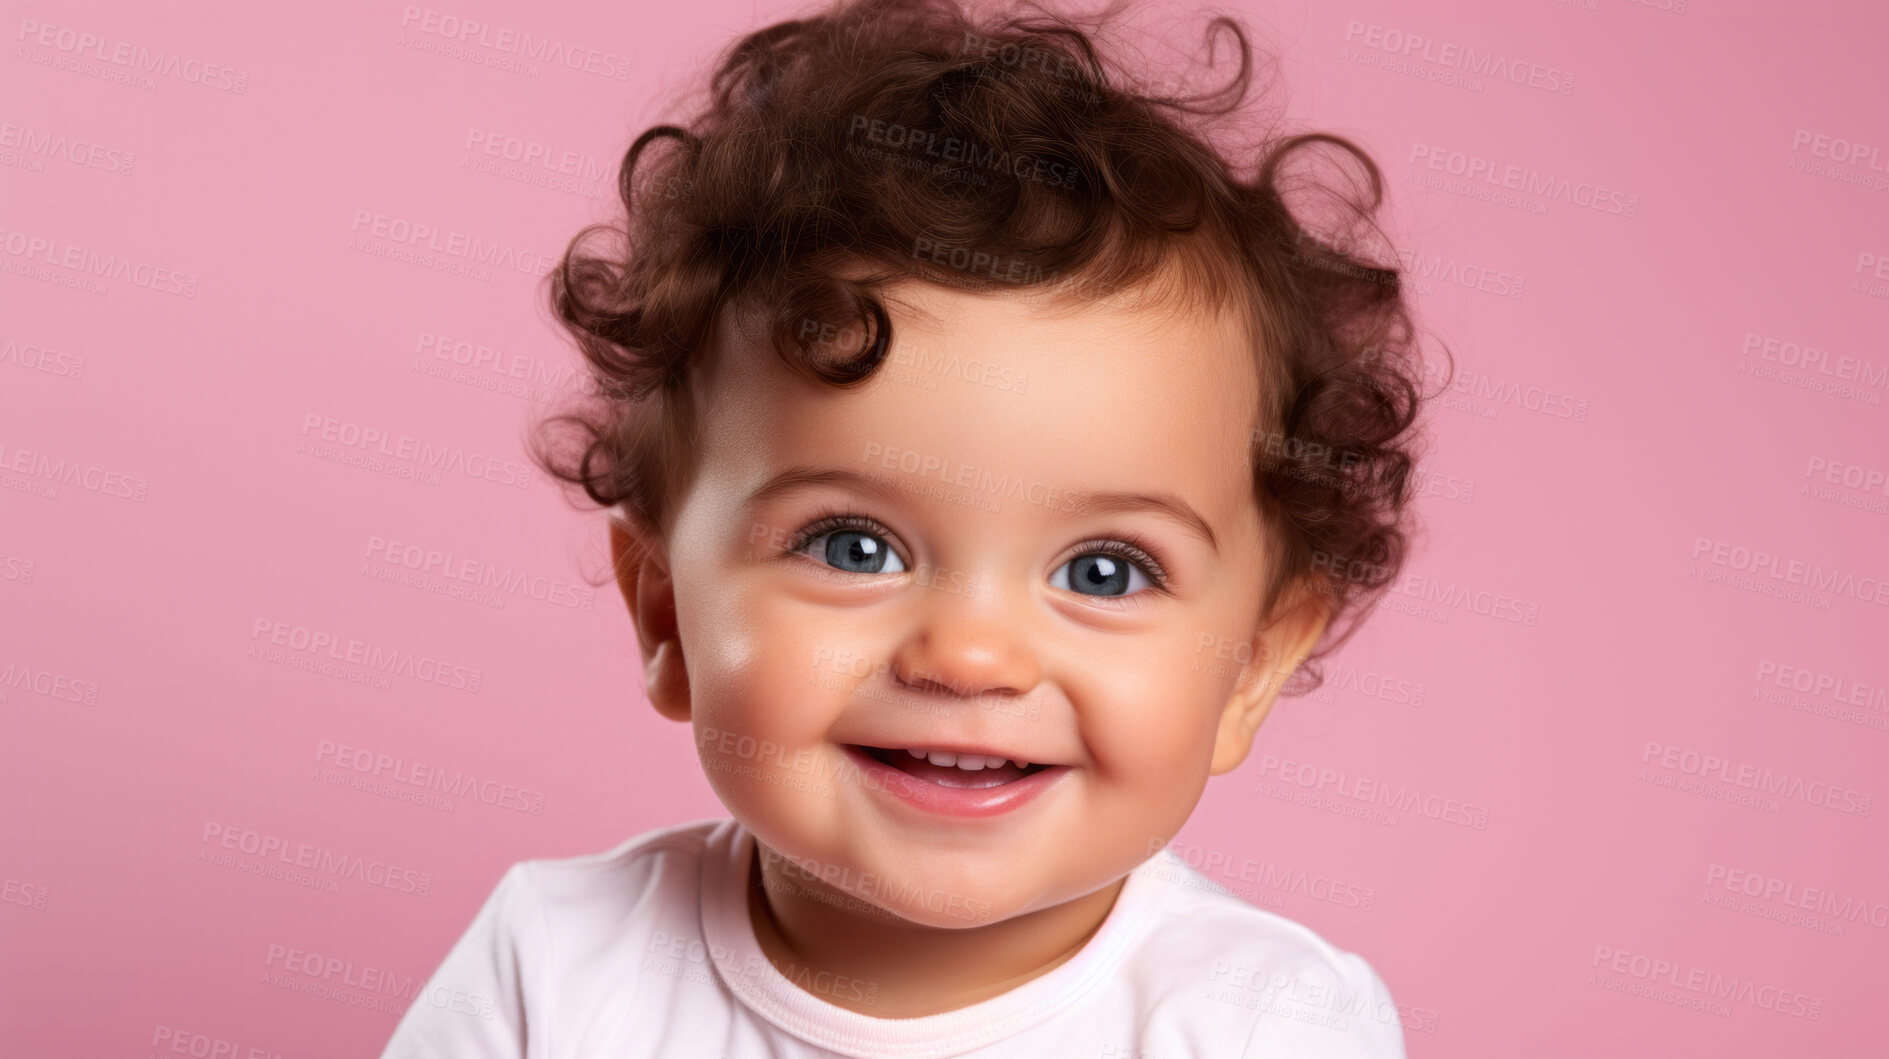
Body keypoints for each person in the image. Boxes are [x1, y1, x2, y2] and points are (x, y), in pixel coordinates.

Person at [383, 0, 1442, 1053]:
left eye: (1105, 571)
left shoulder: (1269, 1024)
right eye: (852, 546)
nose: (969, 656)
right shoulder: (555, 970)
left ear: (1249, 665)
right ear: (665, 610)